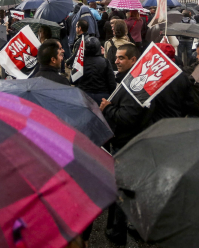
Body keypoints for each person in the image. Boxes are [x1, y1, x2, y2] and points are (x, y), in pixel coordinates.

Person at [99, 44, 153, 246]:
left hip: (126, 143)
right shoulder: (128, 81)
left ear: (133, 60)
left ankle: (117, 232)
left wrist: (108, 109)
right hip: (129, 141)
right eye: (117, 57)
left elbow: (128, 117)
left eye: (121, 58)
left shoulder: (135, 85)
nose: (116, 60)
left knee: (121, 191)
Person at [75, 37, 116, 104]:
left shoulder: (80, 62)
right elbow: (112, 84)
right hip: (102, 97)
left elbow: (73, 80)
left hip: (84, 96)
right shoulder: (105, 62)